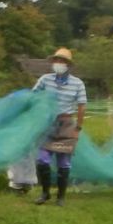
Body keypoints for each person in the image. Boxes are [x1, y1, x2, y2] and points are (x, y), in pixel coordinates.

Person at [31, 47, 87, 206]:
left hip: (67, 123)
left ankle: (61, 197)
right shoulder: (45, 79)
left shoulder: (77, 83)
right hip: (48, 123)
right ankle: (45, 193)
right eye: (56, 60)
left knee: (64, 162)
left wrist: (78, 128)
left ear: (68, 65)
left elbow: (82, 106)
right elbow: (33, 96)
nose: (58, 63)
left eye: (62, 61)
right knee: (42, 159)